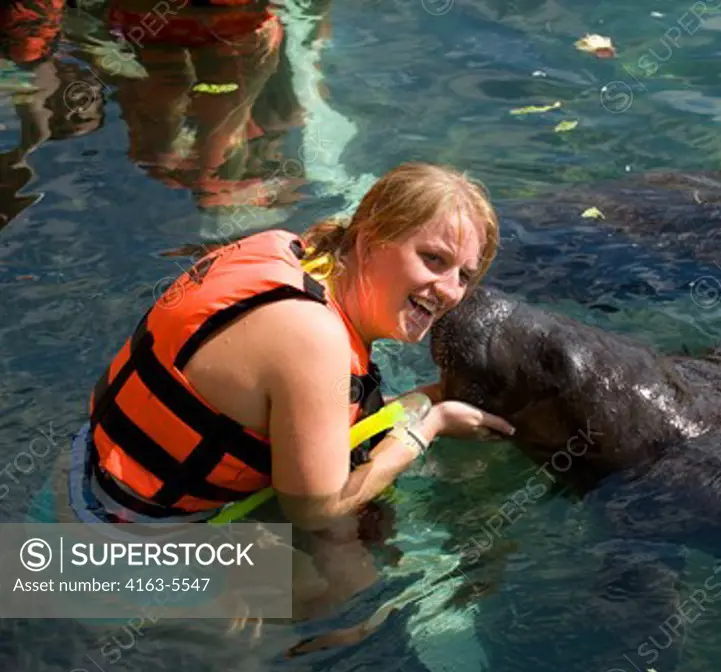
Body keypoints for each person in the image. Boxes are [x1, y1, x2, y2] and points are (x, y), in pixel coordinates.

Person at [68, 161, 516, 531]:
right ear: (370, 239)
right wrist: (429, 426)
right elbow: (314, 509)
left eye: (464, 275)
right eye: (432, 259)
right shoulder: (315, 338)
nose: (449, 291)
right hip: (127, 529)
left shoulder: (287, 249)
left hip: (82, 468)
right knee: (348, 585)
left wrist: (431, 396)